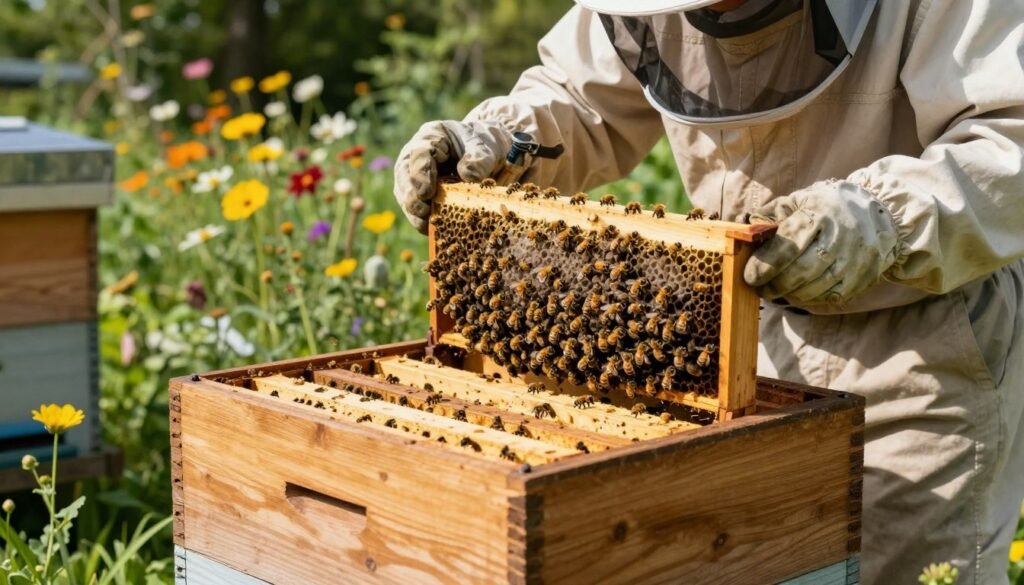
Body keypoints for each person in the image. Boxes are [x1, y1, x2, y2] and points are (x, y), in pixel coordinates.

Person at [393, 1, 1024, 582]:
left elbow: (1008, 137)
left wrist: (881, 218)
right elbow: (577, 101)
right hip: (744, 343)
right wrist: (501, 141)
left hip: (919, 352)